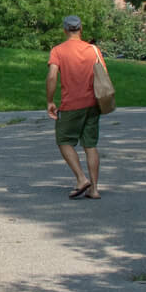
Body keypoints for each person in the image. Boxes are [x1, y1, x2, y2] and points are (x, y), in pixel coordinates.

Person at [46, 14, 106, 199]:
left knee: (63, 141)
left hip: (71, 104)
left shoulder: (58, 51)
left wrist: (50, 101)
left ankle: (81, 179)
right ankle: (94, 189)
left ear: (65, 30)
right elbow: (102, 74)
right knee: (90, 145)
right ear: (81, 29)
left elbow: (52, 76)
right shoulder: (93, 50)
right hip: (93, 104)